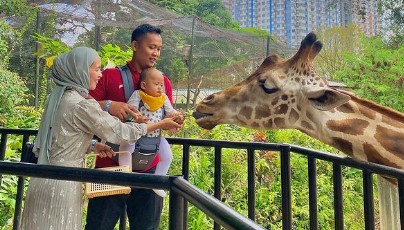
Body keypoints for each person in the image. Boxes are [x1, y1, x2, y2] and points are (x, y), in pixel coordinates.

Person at [19, 47, 181, 230]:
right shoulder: (81, 105)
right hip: (63, 185)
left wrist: (92, 145)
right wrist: (159, 125)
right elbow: (121, 132)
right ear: (79, 71)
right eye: (96, 69)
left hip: (44, 178)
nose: (100, 74)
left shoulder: (57, 98)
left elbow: (61, 138)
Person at [85, 24, 180, 230]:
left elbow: (165, 117)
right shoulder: (109, 76)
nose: (156, 53)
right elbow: (82, 107)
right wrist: (110, 105)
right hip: (110, 167)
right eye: (151, 47)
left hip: (150, 168)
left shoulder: (163, 82)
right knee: (99, 226)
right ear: (135, 45)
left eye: (159, 49)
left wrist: (175, 122)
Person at [119, 67, 183, 198]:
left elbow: (170, 111)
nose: (160, 88)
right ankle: (125, 177)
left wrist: (176, 115)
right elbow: (130, 109)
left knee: (167, 156)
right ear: (143, 85)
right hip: (137, 134)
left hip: (155, 136)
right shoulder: (138, 95)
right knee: (126, 148)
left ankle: (157, 182)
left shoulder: (163, 98)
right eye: (156, 84)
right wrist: (137, 117)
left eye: (161, 85)